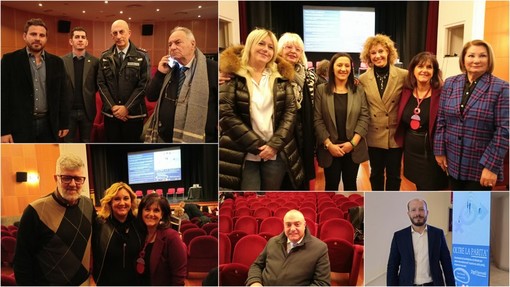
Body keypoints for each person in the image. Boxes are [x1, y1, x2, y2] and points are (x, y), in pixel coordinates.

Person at [219, 28, 304, 191]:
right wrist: (258, 146)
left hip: (275, 153)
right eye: (261, 44)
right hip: (243, 152)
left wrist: (273, 145)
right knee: (249, 199)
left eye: (271, 47)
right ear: (250, 45)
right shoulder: (232, 74)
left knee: (269, 199)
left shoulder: (281, 75)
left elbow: (290, 112)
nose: (266, 49)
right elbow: (226, 114)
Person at [434, 39, 509, 190]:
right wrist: (439, 151)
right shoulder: (450, 83)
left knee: (476, 210)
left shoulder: (501, 87)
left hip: (481, 166)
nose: (476, 60)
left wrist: (491, 166)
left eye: (482, 56)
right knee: (458, 207)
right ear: (463, 59)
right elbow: (441, 120)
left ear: (489, 60)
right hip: (453, 161)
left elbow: (504, 130)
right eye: (471, 56)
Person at [14, 154, 95, 285]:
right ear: (56, 178)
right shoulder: (34, 211)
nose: (73, 184)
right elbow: (22, 261)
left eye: (78, 179)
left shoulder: (88, 205)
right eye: (66, 178)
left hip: (84, 283)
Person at [1, 18, 70, 143]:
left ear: (46, 38)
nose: (37, 38)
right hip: (20, 126)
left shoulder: (57, 62)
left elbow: (63, 94)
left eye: (41, 35)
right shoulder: (9, 60)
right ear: (24, 36)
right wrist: (4, 130)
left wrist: (64, 123)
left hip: (49, 125)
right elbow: (3, 97)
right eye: (33, 34)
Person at [145, 26, 218, 143]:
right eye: (170, 44)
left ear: (192, 44)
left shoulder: (212, 69)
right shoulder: (169, 68)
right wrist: (160, 73)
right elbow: (151, 96)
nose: (172, 47)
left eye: (177, 43)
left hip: (197, 140)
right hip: (163, 138)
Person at [359, 34, 408, 191]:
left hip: (394, 134)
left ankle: (391, 205)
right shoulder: (363, 79)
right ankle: (378, 203)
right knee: (376, 174)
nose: (377, 56)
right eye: (373, 53)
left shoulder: (404, 75)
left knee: (394, 175)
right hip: (374, 134)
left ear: (388, 52)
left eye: (381, 51)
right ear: (368, 56)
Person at [314, 53, 370, 191]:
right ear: (332, 68)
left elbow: (364, 116)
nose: (343, 69)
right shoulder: (321, 90)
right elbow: (317, 119)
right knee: (331, 186)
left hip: (352, 148)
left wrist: (352, 143)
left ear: (351, 68)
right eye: (339, 65)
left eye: (347, 65)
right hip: (330, 149)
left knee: (351, 185)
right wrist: (329, 145)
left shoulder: (358, 90)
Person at [395, 52, 449, 190]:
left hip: (432, 153)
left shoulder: (442, 93)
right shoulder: (406, 91)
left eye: (429, 67)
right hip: (411, 151)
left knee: (432, 187)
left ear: (434, 72)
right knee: (419, 186)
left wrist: (441, 151)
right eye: (420, 66)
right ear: (413, 69)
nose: (424, 70)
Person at [97, 19, 150, 142]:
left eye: (122, 32)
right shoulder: (105, 56)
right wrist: (113, 107)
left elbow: (144, 85)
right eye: (115, 33)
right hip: (111, 115)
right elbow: (101, 84)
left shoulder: (142, 56)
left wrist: (127, 108)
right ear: (111, 36)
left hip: (134, 115)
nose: (118, 36)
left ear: (129, 33)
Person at [246, 209, 330, 286]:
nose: (292, 229)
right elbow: (256, 265)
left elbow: (322, 283)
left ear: (304, 225)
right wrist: (255, 282)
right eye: (288, 225)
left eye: (297, 224)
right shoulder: (273, 242)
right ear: (284, 225)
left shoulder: (320, 248)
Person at [276, 32, 317, 190]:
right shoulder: (272, 73)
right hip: (281, 135)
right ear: (280, 50)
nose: (293, 51)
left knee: (301, 179)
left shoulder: (309, 76)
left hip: (302, 134)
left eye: (298, 48)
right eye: (288, 47)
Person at [387, 198, 455, 286]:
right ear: (408, 214)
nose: (417, 213)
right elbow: (392, 267)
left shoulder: (438, 234)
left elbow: (447, 264)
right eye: (413, 210)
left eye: (421, 209)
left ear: (427, 212)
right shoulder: (399, 236)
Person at [92, 182, 143, 285]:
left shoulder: (139, 223)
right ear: (110, 202)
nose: (122, 203)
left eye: (126, 198)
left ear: (131, 200)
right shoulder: (99, 225)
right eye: (117, 199)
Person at [137, 193, 187, 285]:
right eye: (147, 209)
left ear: (162, 215)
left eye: (156, 210)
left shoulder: (172, 238)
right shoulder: (138, 234)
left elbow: (178, 277)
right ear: (141, 212)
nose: (151, 214)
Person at [61, 26, 99, 143]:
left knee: (86, 141)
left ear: (87, 42)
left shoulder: (94, 61)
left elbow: (97, 85)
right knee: (68, 143)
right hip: (68, 112)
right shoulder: (61, 61)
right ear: (71, 41)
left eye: (83, 37)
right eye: (77, 37)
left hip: (87, 111)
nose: (80, 40)